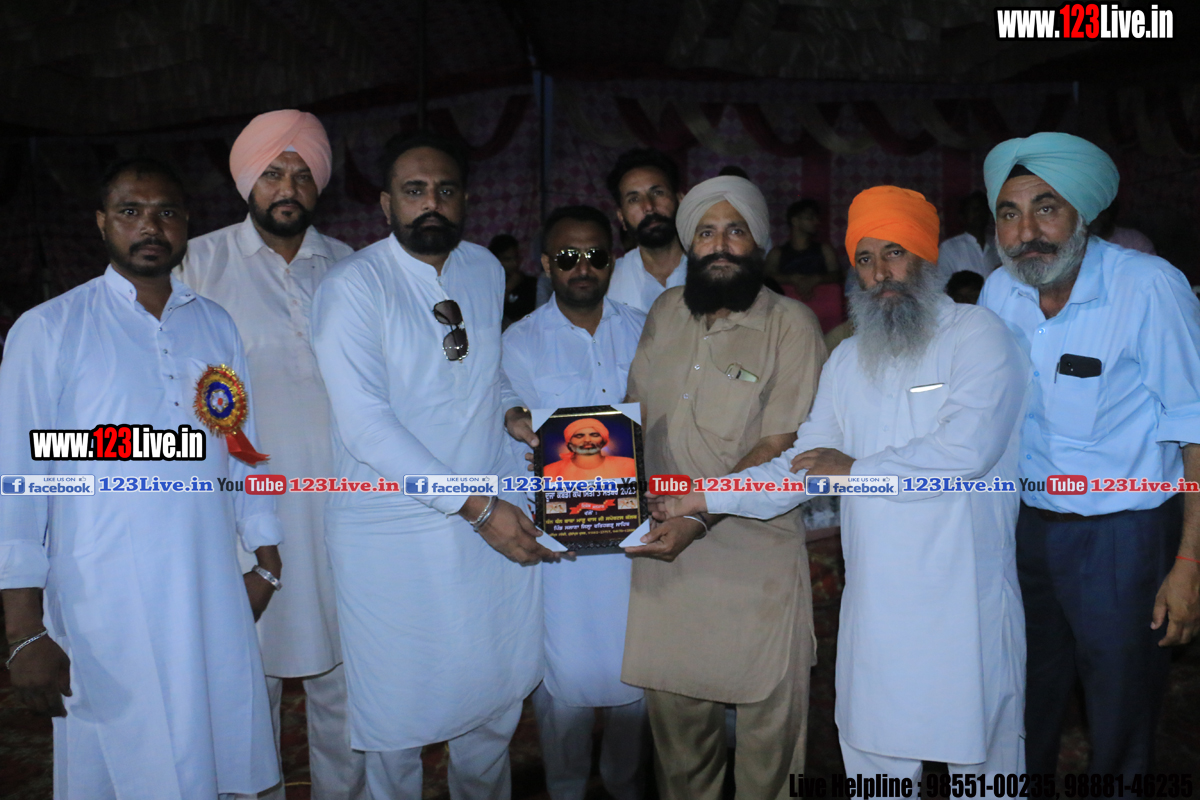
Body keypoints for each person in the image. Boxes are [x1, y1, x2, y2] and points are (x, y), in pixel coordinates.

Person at [649, 184, 1029, 780]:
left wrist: (854, 470)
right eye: (865, 259)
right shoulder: (850, 359)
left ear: (926, 257)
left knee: (983, 772)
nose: (881, 273)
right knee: (878, 769)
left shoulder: (978, 335)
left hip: (964, 608)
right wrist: (699, 496)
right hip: (876, 611)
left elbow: (966, 451)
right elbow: (801, 466)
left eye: (895, 253)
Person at [0, 157, 282, 799]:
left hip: (208, 583)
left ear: (187, 225)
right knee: (124, 762)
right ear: (102, 222)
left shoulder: (214, 323)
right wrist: (23, 631)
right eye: (131, 211)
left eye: (166, 212)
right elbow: (19, 481)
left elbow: (243, 445)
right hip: (105, 596)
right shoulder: (49, 328)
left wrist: (266, 558)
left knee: (211, 752)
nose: (150, 226)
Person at [310, 130, 559, 799]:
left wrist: (510, 412)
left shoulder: (483, 269)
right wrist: (477, 509)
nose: (431, 203)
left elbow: (486, 370)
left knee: (493, 702)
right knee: (398, 720)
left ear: (466, 199)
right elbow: (366, 425)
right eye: (414, 190)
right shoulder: (352, 287)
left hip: (484, 519)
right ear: (386, 203)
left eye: (445, 190)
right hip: (393, 532)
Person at [979, 131, 1200, 774]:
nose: (1027, 232)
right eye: (1009, 213)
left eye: (1046, 208)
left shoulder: (1149, 287)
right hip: (1025, 529)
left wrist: (1190, 563)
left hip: (1122, 539)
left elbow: (1195, 427)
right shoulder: (999, 293)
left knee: (1120, 712)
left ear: (1085, 213)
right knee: (1022, 702)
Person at [176, 110, 366, 799]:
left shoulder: (350, 265)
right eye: (273, 173)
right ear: (246, 182)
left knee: (345, 678)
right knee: (244, 679)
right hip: (242, 515)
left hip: (343, 510)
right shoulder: (198, 263)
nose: (288, 187)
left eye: (302, 174)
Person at [621, 176, 827, 800]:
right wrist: (584, 486)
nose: (719, 245)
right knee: (682, 763)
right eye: (706, 232)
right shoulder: (664, 313)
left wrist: (700, 515)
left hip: (754, 564)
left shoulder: (791, 324)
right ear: (689, 244)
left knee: (770, 763)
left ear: (758, 242)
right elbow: (631, 421)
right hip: (667, 558)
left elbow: (780, 446)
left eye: (735, 231)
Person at [502, 203, 648, 800]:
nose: (582, 267)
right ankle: (564, 788)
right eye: (567, 257)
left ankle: (625, 783)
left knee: (635, 678)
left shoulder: (646, 329)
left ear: (612, 261)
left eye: (595, 255)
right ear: (545, 265)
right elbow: (506, 420)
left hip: (636, 541)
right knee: (562, 688)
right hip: (560, 548)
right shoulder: (519, 341)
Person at [605, 148, 687, 313]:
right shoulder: (609, 283)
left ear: (680, 200)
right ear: (621, 218)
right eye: (634, 199)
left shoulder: (714, 267)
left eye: (657, 193)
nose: (649, 206)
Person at [765, 199, 839, 301]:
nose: (816, 222)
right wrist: (791, 279)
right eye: (810, 218)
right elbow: (766, 277)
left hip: (822, 306)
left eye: (816, 218)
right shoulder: (777, 253)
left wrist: (816, 279)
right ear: (795, 221)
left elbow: (838, 275)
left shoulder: (825, 250)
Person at [937, 190, 1001, 282]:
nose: (978, 214)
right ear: (963, 216)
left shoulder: (998, 245)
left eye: (982, 209)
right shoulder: (949, 248)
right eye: (974, 210)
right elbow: (943, 284)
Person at [544, 418, 637, 480]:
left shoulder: (630, 465)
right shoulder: (548, 471)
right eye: (579, 436)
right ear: (569, 443)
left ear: (603, 441)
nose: (587, 440)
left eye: (594, 435)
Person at [490, 233, 538, 326]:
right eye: (507, 259)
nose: (514, 263)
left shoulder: (530, 283)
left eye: (516, 257)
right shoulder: (489, 284)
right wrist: (508, 288)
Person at [1088, 199, 1157, 255]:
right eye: (1092, 213)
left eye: (1100, 213)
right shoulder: (1084, 242)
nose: (1095, 218)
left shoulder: (1136, 240)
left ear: (1110, 214)